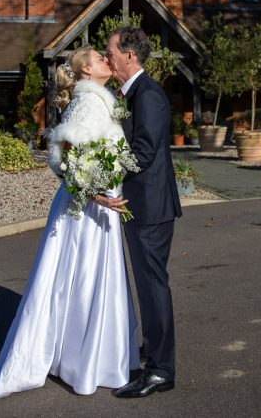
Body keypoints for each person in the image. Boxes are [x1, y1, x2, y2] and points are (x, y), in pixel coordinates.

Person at [0, 45, 140, 406]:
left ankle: (74, 357)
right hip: (89, 209)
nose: (107, 60)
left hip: (91, 203)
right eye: (99, 58)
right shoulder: (91, 102)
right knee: (81, 281)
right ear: (86, 71)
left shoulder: (95, 99)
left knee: (71, 283)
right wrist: (94, 194)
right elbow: (67, 157)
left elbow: (72, 154)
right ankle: (84, 363)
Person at [105, 26, 182, 399]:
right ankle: (153, 351)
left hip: (151, 207)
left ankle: (161, 370)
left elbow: (144, 152)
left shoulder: (148, 95)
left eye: (111, 52)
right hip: (140, 204)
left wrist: (99, 174)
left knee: (152, 287)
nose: (108, 58)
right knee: (148, 285)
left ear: (129, 56)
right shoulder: (129, 94)